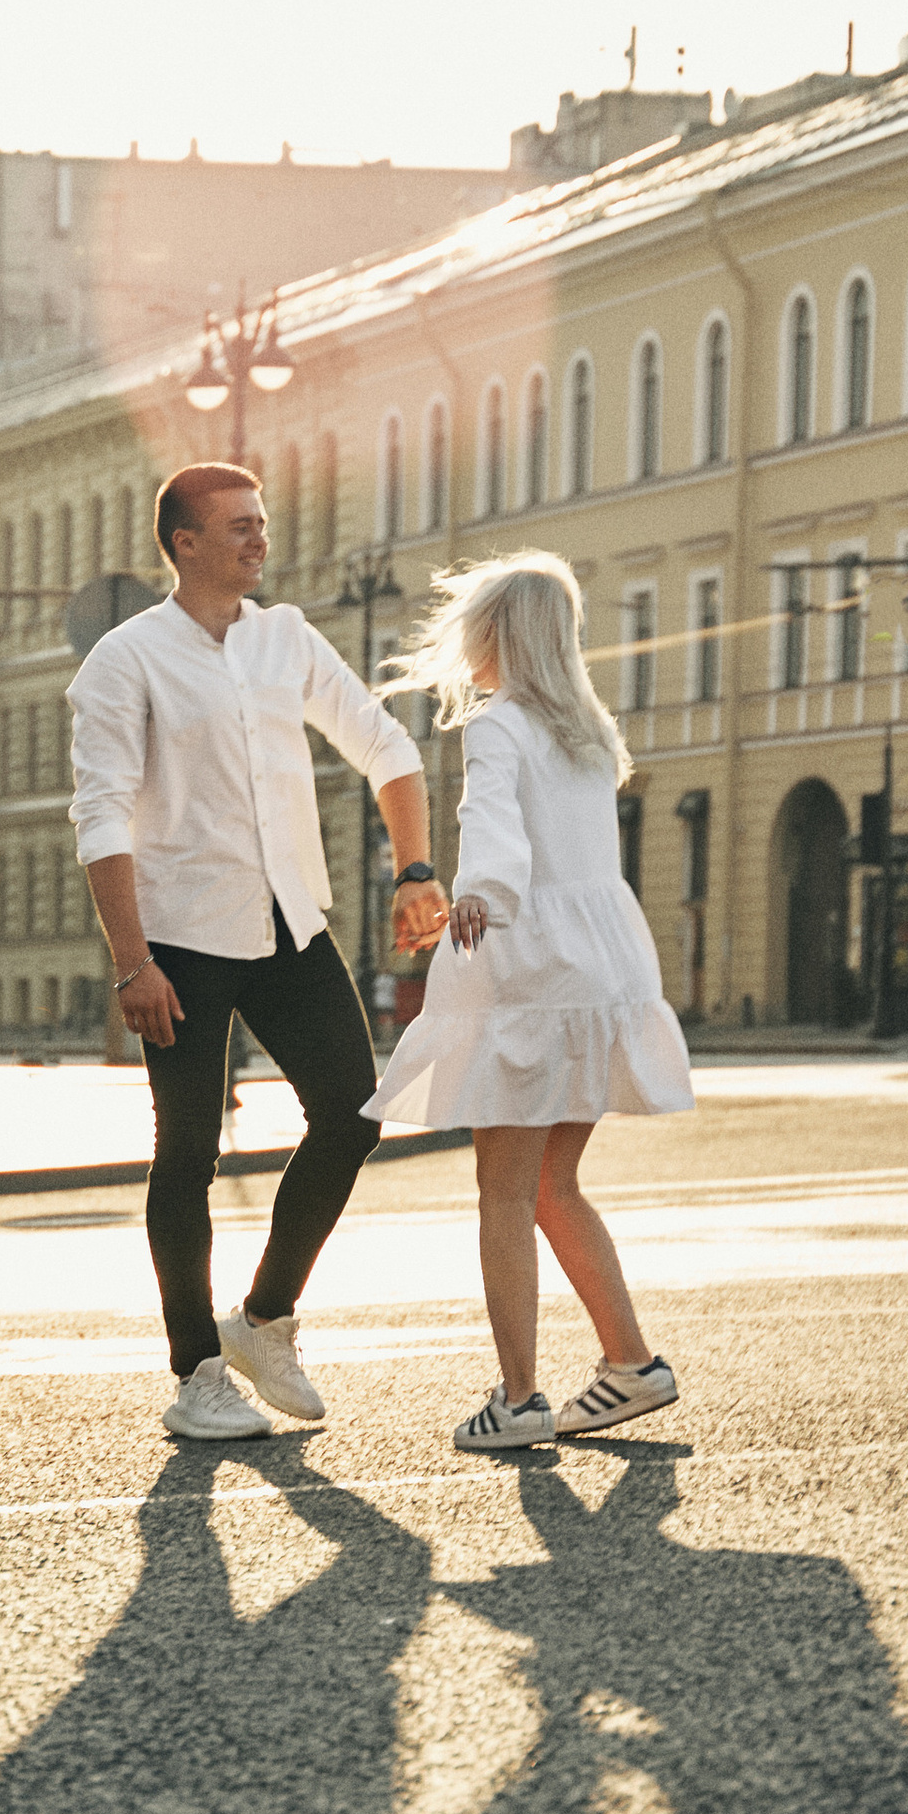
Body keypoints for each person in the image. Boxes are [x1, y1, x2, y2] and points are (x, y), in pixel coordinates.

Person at [70, 462, 448, 1441]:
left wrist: (415, 871)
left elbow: (385, 746)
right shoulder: (125, 660)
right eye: (237, 526)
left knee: (352, 1113)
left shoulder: (287, 639)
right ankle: (197, 1370)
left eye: (262, 524)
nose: (258, 540)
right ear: (183, 543)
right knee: (187, 1151)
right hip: (179, 943)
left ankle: (265, 1319)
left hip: (289, 926)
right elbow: (101, 816)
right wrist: (131, 961)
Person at [366, 549, 691, 1453]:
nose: (464, 643)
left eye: (474, 625)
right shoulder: (590, 732)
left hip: (527, 970)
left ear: (499, 634)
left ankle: (517, 1401)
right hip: (603, 970)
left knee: (503, 1190)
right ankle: (630, 1365)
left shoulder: (497, 726)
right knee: (555, 1184)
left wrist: (482, 899)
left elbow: (497, 833)